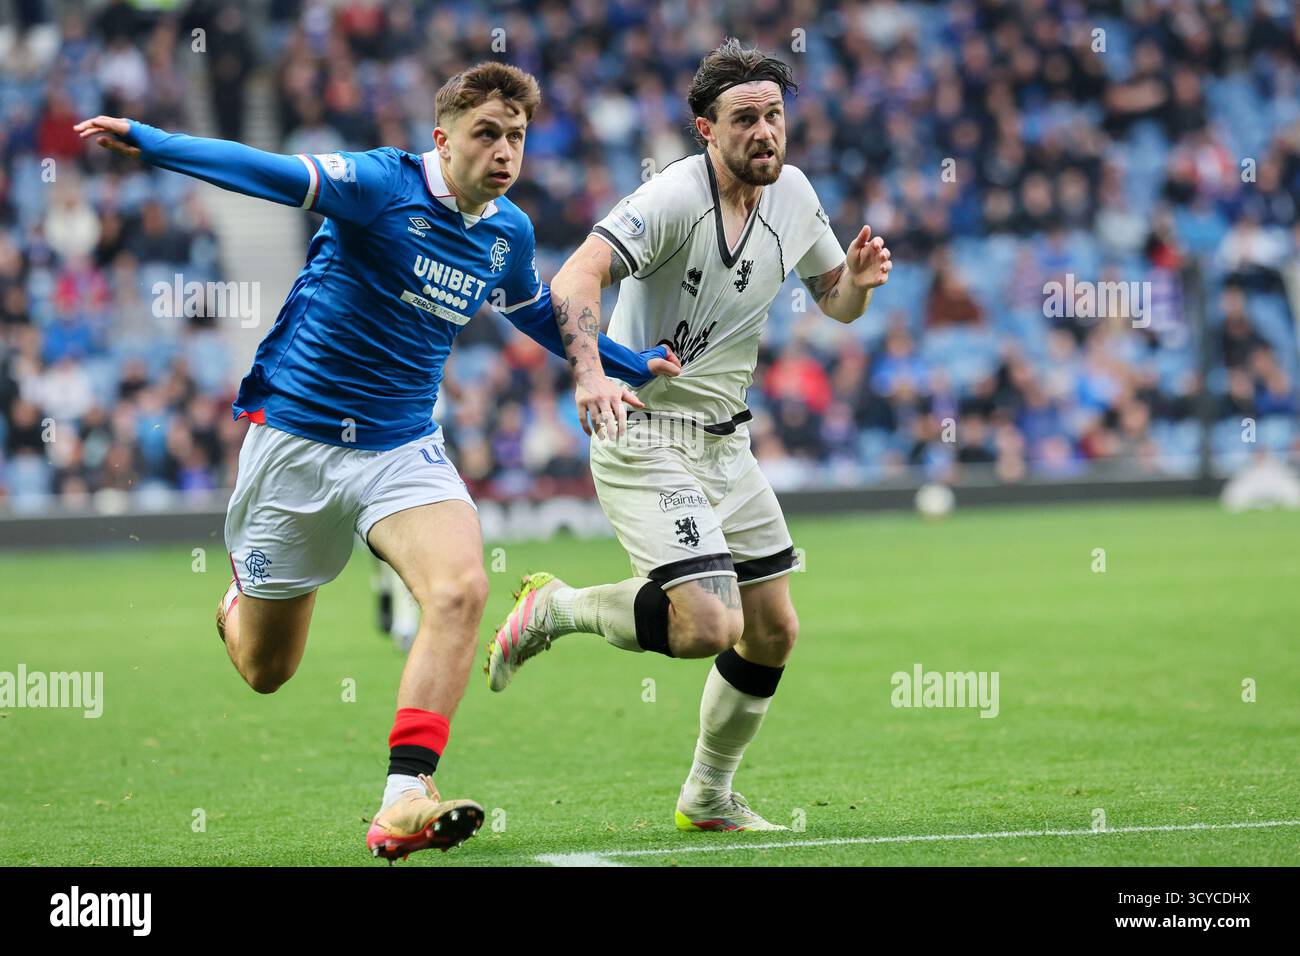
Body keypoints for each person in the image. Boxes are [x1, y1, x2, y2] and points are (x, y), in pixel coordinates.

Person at [76, 61, 677, 861]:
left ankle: (403, 797)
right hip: (298, 441)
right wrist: (152, 143)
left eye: (517, 137)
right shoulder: (377, 185)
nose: (504, 152)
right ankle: (238, 601)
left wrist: (628, 364)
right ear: (442, 139)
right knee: (265, 669)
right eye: (486, 134)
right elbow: (268, 172)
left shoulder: (508, 232)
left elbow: (535, 308)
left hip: (401, 445)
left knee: (462, 588)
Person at [486, 39, 891, 832]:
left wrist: (856, 285)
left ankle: (707, 796)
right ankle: (553, 609)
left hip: (726, 441)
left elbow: (832, 302)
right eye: (746, 118)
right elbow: (573, 277)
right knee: (710, 625)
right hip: (645, 431)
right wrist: (592, 373)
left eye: (775, 114)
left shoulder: (797, 194)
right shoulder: (672, 196)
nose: (766, 132)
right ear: (706, 129)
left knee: (773, 630)